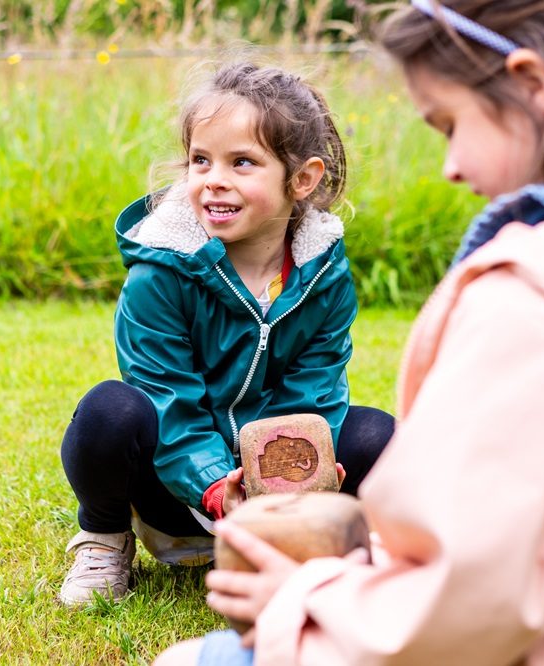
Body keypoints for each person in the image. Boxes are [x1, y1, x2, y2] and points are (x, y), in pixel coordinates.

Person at [154, 0, 544, 663]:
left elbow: (459, 603)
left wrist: (309, 593)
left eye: (451, 123)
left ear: (534, 88)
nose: (450, 165)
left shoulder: (538, 302)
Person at [58, 61, 396, 606]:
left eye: (242, 162)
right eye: (200, 160)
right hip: (174, 488)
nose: (213, 178)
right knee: (111, 411)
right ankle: (104, 537)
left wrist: (296, 479)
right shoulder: (161, 273)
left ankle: (318, 544)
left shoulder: (324, 276)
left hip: (269, 501)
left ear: (302, 179)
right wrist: (218, 486)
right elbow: (168, 398)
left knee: (377, 435)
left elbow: (315, 390)